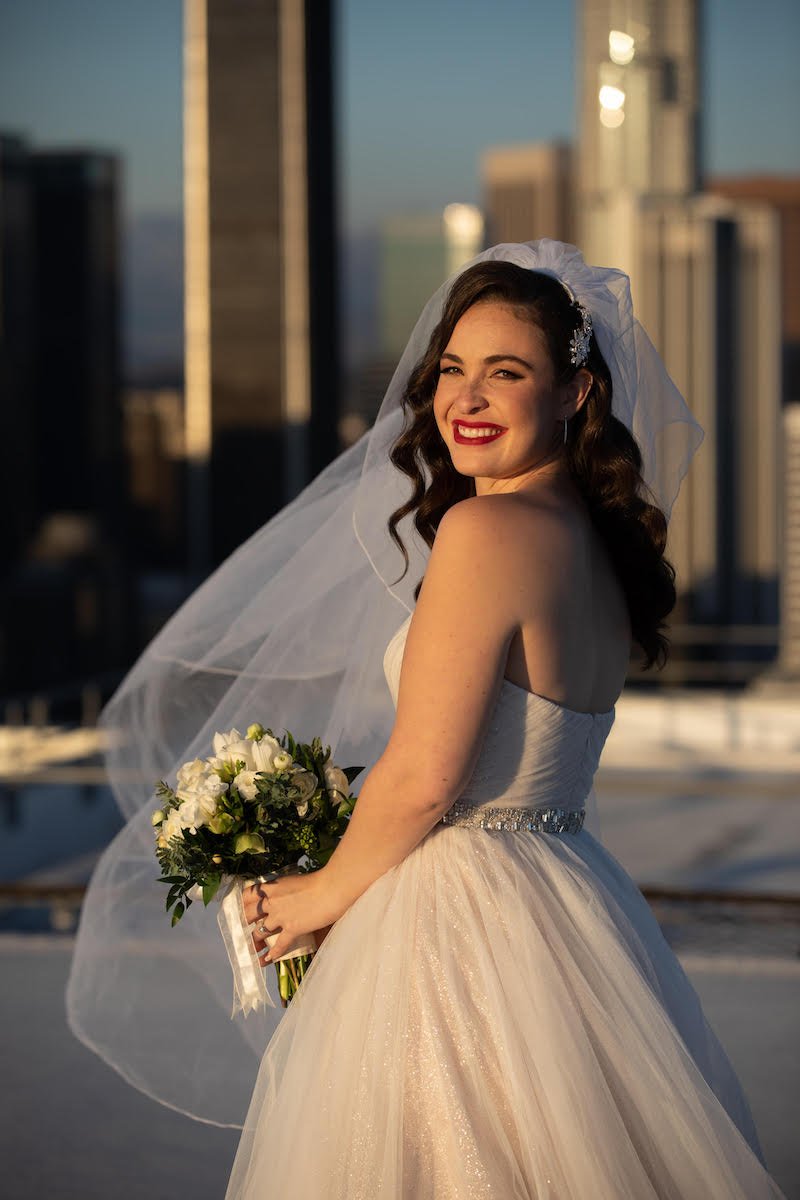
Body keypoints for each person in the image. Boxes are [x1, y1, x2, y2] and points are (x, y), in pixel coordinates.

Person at [68, 242, 786, 1198]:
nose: (467, 399)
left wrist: (315, 896)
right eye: (452, 369)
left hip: (461, 918)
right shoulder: (596, 546)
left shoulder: (486, 531)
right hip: (569, 897)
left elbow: (427, 775)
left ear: (576, 394)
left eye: (507, 373)